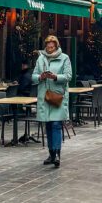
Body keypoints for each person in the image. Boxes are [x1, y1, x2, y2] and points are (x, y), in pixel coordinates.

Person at [32, 36, 72, 169]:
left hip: (57, 96)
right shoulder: (41, 58)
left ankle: (57, 154)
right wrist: (40, 76)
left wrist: (55, 77)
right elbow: (33, 76)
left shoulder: (64, 58)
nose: (49, 49)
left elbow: (68, 76)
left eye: (52, 47)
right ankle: (51, 154)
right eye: (48, 47)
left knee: (56, 124)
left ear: (56, 46)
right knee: (48, 125)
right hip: (44, 96)